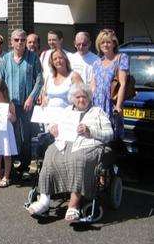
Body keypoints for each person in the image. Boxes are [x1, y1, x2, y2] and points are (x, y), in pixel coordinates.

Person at [27, 83, 113, 222]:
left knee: (79, 158)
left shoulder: (97, 112)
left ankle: (73, 204)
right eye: (77, 97)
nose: (81, 100)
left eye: (84, 96)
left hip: (89, 145)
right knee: (50, 153)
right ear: (72, 99)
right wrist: (52, 128)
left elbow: (109, 134)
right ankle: (44, 200)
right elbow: (52, 125)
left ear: (89, 98)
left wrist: (90, 131)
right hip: (65, 143)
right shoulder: (67, 111)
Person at [0, 29, 43, 178]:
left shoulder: (33, 58)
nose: (20, 42)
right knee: (10, 135)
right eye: (16, 40)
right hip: (9, 104)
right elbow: (0, 83)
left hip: (26, 104)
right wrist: (3, 101)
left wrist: (31, 98)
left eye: (22, 40)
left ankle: (25, 165)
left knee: (25, 136)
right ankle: (12, 166)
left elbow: (40, 80)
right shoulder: (4, 59)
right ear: (11, 42)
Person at [91, 29, 129, 139]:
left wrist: (118, 106)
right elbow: (93, 87)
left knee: (112, 136)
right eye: (102, 42)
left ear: (114, 43)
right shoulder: (96, 63)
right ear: (99, 44)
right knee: (98, 135)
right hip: (97, 105)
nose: (105, 45)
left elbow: (122, 84)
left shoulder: (121, 58)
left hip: (111, 104)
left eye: (108, 42)